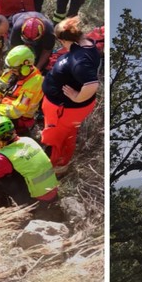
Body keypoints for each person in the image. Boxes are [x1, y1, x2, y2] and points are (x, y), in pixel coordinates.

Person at [41, 17, 100, 171]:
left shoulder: (79, 60)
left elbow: (92, 84)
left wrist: (77, 97)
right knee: (68, 133)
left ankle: (53, 166)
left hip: (64, 109)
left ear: (63, 40)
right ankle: (63, 160)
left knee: (55, 138)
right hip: (67, 110)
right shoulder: (86, 43)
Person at [0, 45, 44, 139]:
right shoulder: (13, 71)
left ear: (25, 67)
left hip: (18, 118)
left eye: (14, 69)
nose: (11, 71)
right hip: (2, 108)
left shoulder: (35, 82)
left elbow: (17, 110)